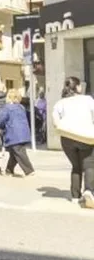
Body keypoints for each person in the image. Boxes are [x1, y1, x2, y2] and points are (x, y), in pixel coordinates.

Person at [51, 76, 94, 208]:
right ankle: (89, 191)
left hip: (67, 138)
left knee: (76, 166)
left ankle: (75, 196)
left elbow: (55, 121)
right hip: (85, 136)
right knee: (89, 165)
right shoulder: (87, 100)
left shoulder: (60, 103)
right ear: (77, 87)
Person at [0, 88, 34, 177]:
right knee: (14, 153)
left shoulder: (7, 108)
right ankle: (9, 170)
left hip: (14, 134)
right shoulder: (21, 107)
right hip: (23, 133)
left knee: (19, 152)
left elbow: (0, 119)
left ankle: (29, 170)